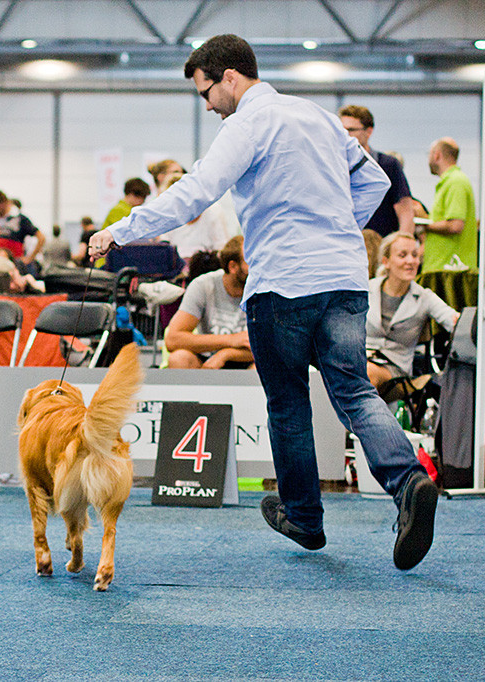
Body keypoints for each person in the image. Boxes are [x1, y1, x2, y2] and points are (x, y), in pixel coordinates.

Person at [88, 33, 438, 571]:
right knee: (353, 389)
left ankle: (303, 515)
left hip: (283, 282)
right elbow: (374, 180)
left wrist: (121, 231)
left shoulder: (247, 124)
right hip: (344, 277)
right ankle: (408, 478)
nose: (207, 105)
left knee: (288, 402)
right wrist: (339, 227)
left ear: (230, 77)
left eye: (206, 92)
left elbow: (195, 191)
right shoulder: (318, 116)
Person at [366, 232, 459, 389]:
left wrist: (460, 321)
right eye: (403, 255)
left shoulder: (425, 297)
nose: (411, 261)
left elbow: (453, 320)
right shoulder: (366, 289)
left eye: (415, 255)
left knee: (364, 375)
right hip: (360, 359)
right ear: (386, 261)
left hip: (395, 369)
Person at [164, 236, 253, 369]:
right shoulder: (203, 285)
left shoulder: (262, 289)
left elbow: (271, 347)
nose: (256, 268)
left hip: (246, 359)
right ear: (233, 266)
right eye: (250, 262)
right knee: (179, 358)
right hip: (207, 359)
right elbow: (172, 340)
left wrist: (226, 354)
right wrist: (231, 340)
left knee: (266, 367)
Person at [339, 105, 415, 237]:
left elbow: (405, 211)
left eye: (351, 130)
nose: (345, 135)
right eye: (341, 130)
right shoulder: (335, 167)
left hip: (380, 244)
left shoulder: (388, 165)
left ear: (368, 131)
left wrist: (403, 243)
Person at [422, 137, 478, 274]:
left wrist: (423, 224)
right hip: (444, 268)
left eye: (429, 154)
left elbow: (455, 225)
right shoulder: (450, 182)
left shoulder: (456, 182)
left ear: (437, 155)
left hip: (450, 271)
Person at [0, 189, 44, 271]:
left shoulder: (19, 219)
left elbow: (41, 237)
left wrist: (30, 258)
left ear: (4, 203)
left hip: (15, 265)